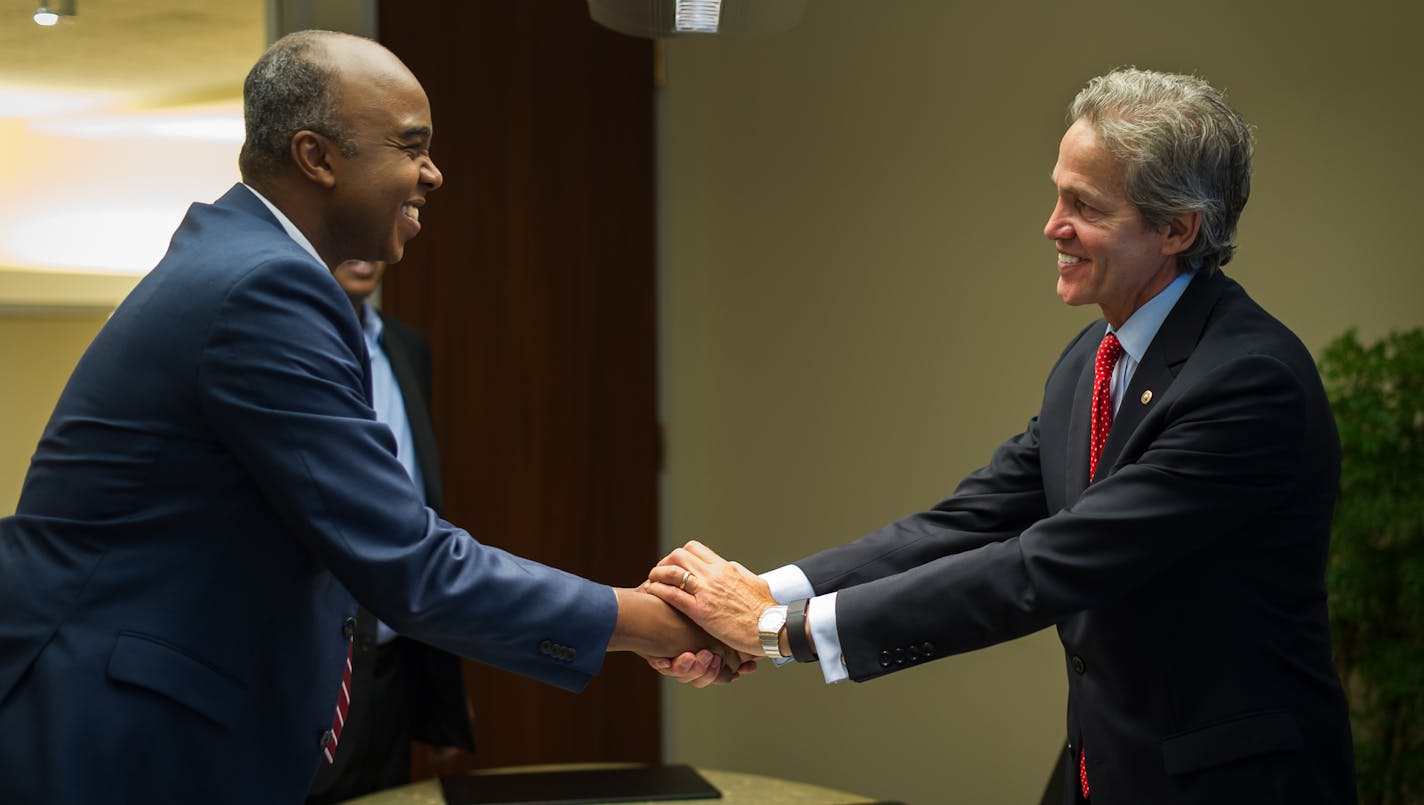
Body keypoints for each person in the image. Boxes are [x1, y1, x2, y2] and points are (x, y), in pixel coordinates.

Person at [0, 30, 744, 804]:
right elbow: (407, 562)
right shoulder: (264, 288)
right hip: (116, 736)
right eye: (410, 146)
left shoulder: (246, 263)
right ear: (317, 157)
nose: (432, 173)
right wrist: (656, 621)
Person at [645, 67, 1357, 804]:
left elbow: (1043, 566)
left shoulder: (1249, 381)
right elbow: (966, 523)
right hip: (1102, 770)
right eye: (1058, 193)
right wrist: (762, 594)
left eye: (1083, 204)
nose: (1052, 225)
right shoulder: (1091, 358)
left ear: (1176, 229)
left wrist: (776, 630)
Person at [305, 260, 471, 803]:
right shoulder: (290, 343)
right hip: (317, 658)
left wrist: (443, 689)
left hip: (396, 656)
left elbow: (421, 514)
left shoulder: (406, 347)